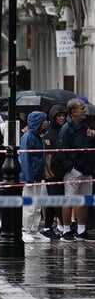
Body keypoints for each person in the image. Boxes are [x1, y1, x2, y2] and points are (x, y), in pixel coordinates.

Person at [55, 98, 95, 241]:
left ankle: (81, 230)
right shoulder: (66, 129)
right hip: (74, 171)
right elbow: (60, 151)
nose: (85, 111)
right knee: (69, 200)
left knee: (84, 200)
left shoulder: (85, 126)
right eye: (82, 108)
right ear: (73, 112)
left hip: (87, 170)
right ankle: (66, 230)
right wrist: (71, 168)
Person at [18, 110, 48, 243]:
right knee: (30, 205)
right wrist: (29, 178)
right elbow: (25, 158)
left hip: (37, 176)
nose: (46, 123)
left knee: (37, 205)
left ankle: (34, 229)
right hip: (29, 177)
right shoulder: (28, 137)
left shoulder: (37, 136)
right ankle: (26, 230)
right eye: (44, 120)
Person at [41, 105, 68, 239]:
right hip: (52, 172)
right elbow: (49, 155)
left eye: (63, 115)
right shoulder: (49, 133)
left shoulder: (64, 130)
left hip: (62, 170)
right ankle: (61, 226)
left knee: (53, 199)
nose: (62, 118)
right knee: (56, 199)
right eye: (59, 115)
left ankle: (48, 226)